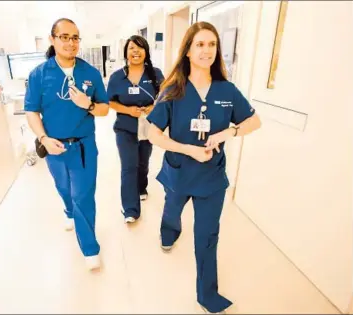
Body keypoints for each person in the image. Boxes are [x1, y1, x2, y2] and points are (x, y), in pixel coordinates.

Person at [146, 22, 261, 313]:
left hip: (211, 177)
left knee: (208, 235)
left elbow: (254, 121)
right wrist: (187, 149)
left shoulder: (227, 90)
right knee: (172, 212)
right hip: (179, 170)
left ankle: (207, 295)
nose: (206, 50)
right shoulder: (172, 90)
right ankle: (168, 232)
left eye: (211, 44)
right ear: (187, 51)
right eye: (199, 44)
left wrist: (229, 132)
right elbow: (152, 133)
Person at [24, 18, 109, 271]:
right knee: (64, 189)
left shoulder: (90, 74)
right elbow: (31, 111)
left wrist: (89, 105)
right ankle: (68, 211)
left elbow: (104, 109)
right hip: (54, 147)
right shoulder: (39, 74)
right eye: (65, 37)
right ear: (53, 39)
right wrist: (43, 139)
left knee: (83, 195)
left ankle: (90, 248)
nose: (71, 43)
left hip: (83, 146)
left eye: (75, 38)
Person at [107, 35, 164, 224]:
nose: (135, 52)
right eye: (131, 48)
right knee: (128, 166)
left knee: (143, 163)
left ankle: (141, 187)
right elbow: (109, 102)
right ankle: (131, 209)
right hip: (125, 128)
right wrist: (128, 110)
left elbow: (165, 96)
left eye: (140, 48)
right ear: (126, 53)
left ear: (146, 52)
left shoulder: (155, 74)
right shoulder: (117, 77)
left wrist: (153, 107)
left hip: (148, 126)